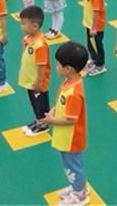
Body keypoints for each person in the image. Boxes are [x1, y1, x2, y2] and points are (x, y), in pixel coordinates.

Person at [39, 41, 89, 206]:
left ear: (69, 69)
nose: (56, 67)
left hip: (72, 138)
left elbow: (71, 119)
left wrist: (51, 120)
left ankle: (80, 194)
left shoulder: (74, 92)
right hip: (65, 136)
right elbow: (63, 105)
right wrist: (54, 110)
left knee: (74, 166)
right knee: (69, 165)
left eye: (58, 65)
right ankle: (76, 186)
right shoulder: (68, 83)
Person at [17, 6, 51, 136]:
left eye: (24, 24)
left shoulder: (40, 44)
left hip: (37, 81)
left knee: (41, 103)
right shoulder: (27, 38)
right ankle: (37, 120)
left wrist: (38, 82)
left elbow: (41, 65)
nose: (22, 26)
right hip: (29, 78)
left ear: (35, 26)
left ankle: (44, 124)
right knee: (34, 102)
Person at [81, 0, 106, 76]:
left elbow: (96, 12)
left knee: (97, 44)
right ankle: (94, 60)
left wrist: (94, 27)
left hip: (95, 25)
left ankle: (100, 65)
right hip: (89, 23)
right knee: (90, 44)